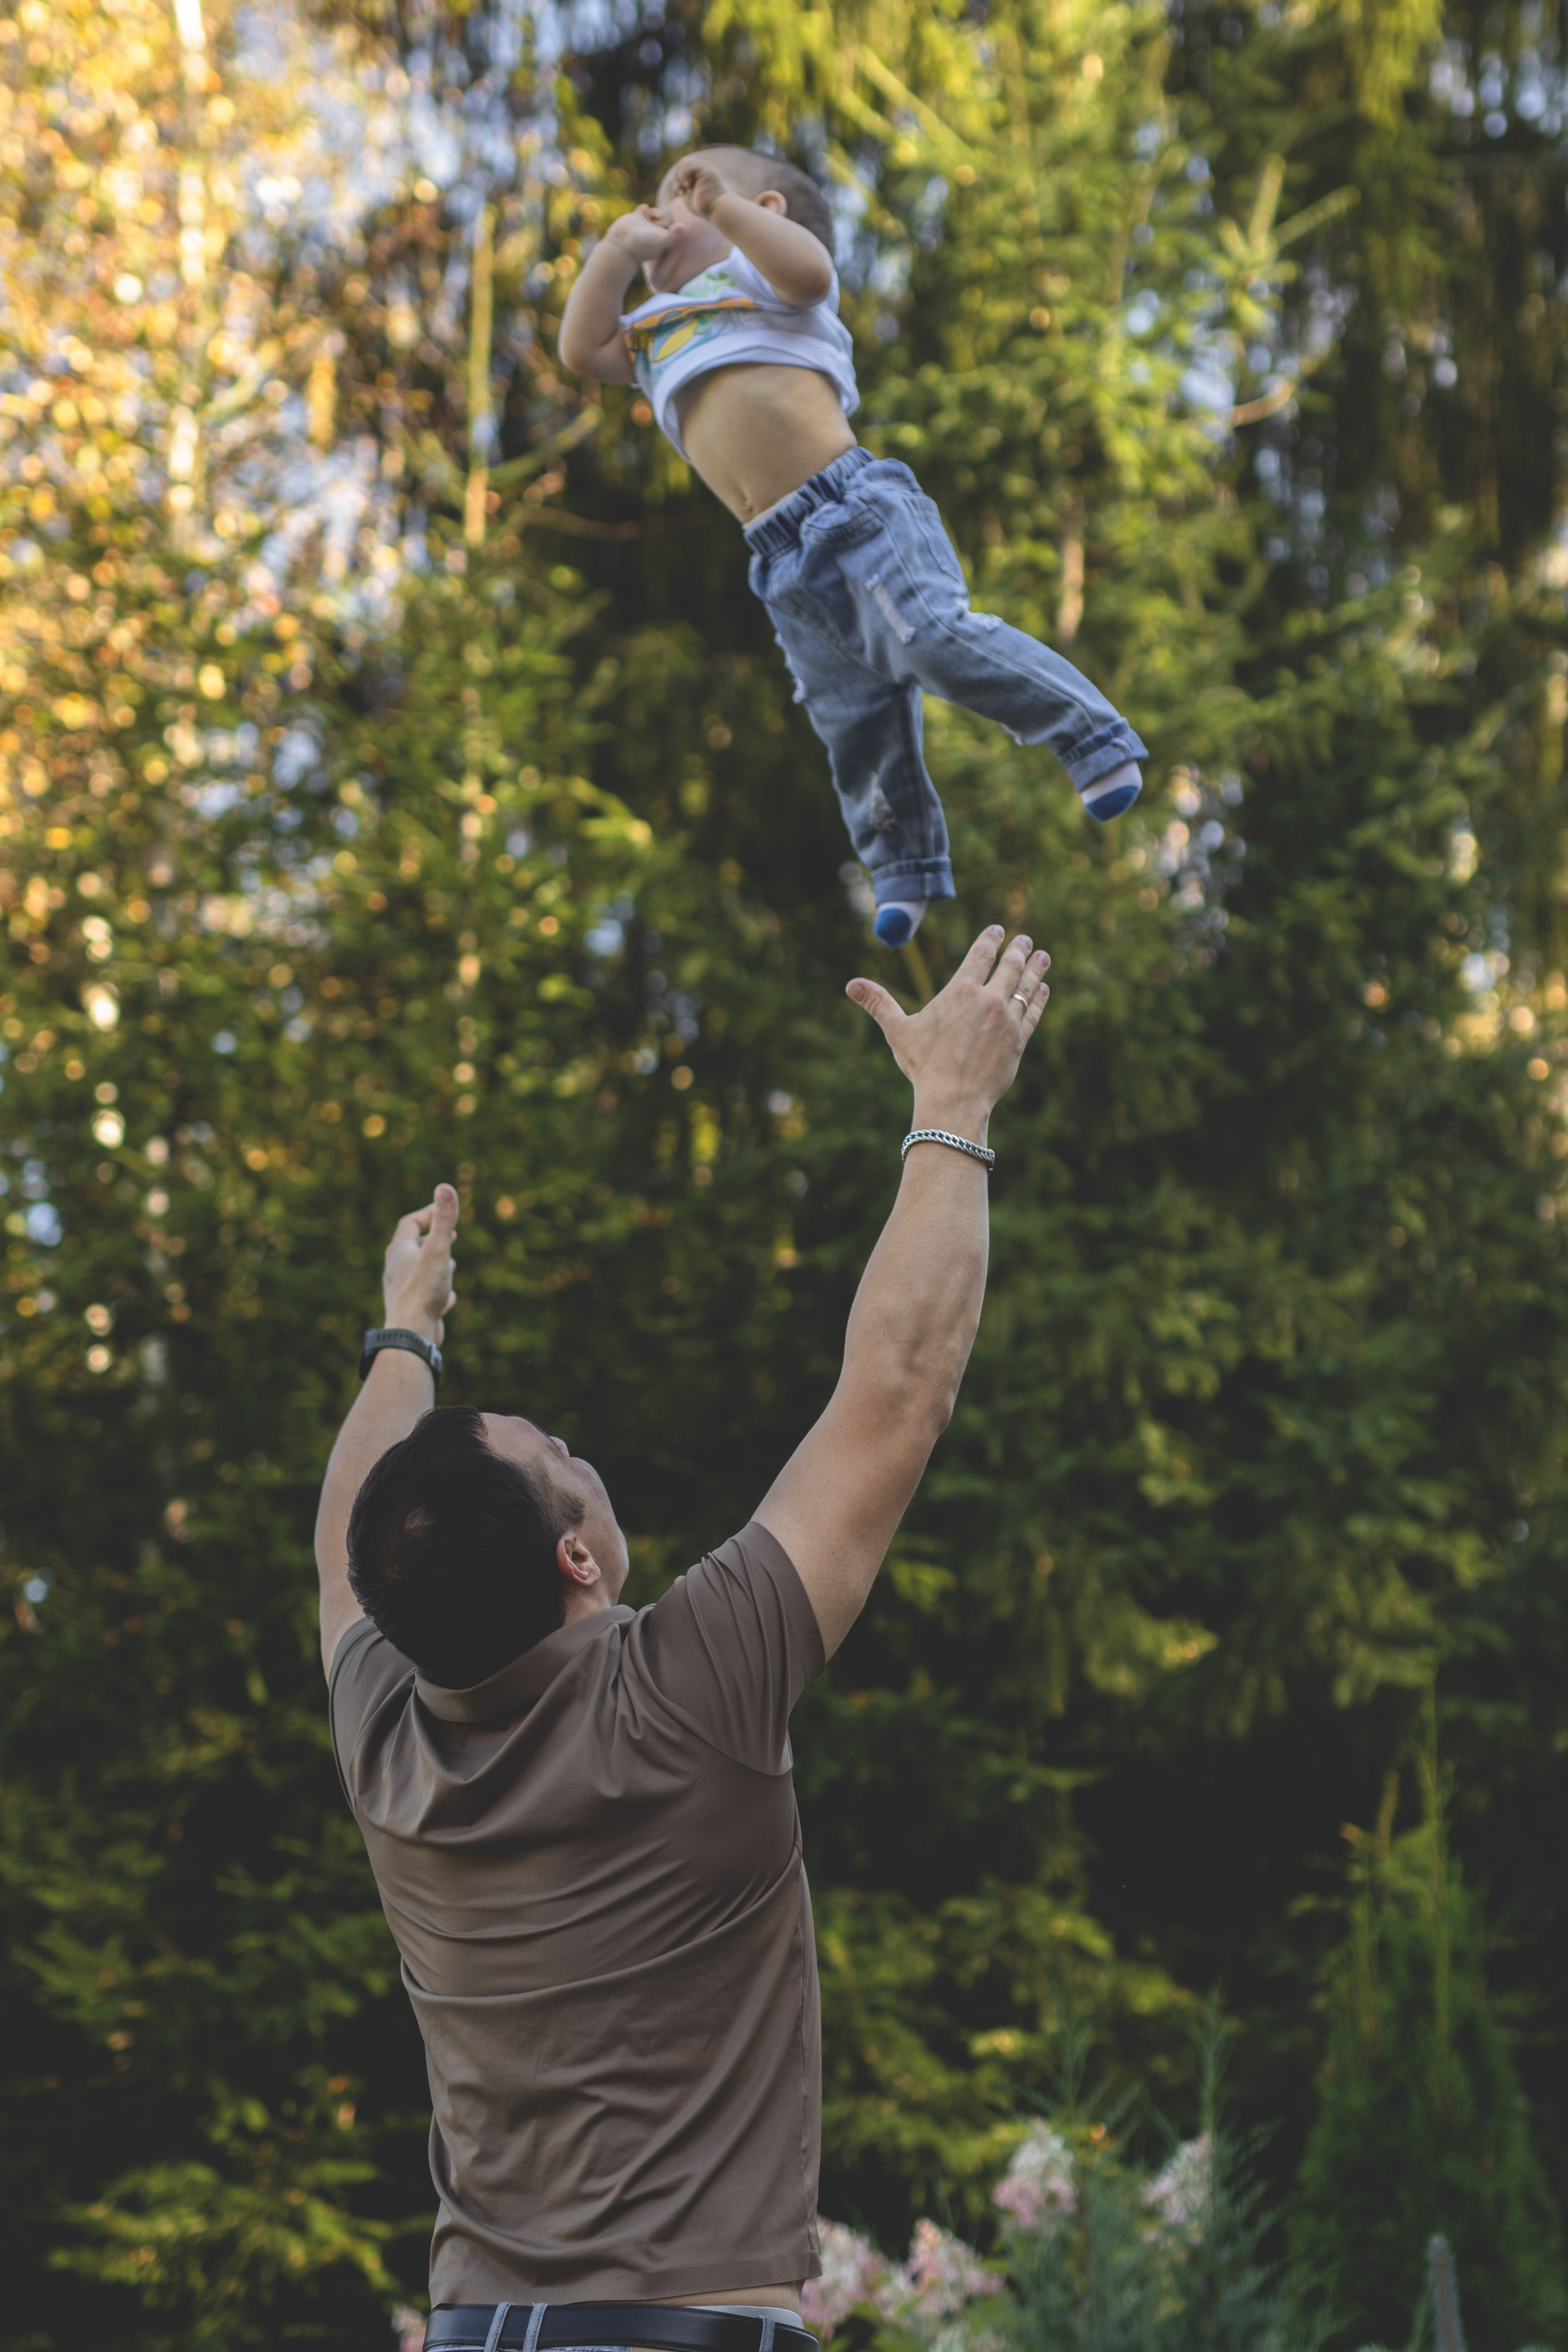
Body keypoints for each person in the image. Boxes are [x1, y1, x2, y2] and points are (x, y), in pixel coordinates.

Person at [315, 924, 1051, 2352]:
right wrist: (950, 1112)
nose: (576, 1446)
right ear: (577, 1557)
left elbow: (354, 1537)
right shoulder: (685, 1698)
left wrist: (404, 1336)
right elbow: (896, 1389)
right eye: (560, 1454)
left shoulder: (389, 1746)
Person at [557, 146, 1146, 949]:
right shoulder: (653, 329)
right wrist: (615, 252)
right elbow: (579, 351)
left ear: (761, 212)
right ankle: (901, 865)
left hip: (852, 512)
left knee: (932, 639)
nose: (659, 218)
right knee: (852, 718)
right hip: (779, 560)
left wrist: (723, 212)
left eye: (679, 201)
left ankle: (1091, 736)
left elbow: (810, 273)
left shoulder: (762, 277)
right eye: (653, 206)